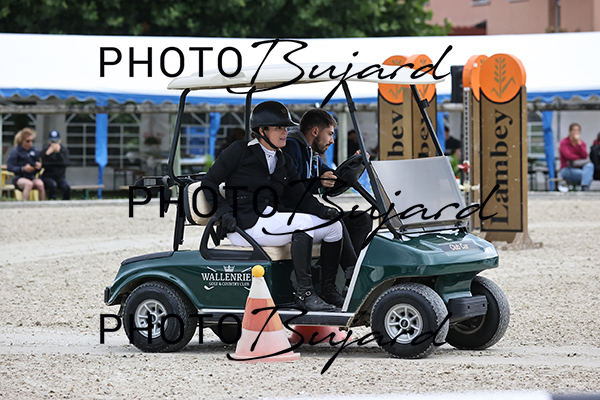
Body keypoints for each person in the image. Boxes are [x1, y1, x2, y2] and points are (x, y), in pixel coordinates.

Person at [202, 101, 345, 312]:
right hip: (244, 225)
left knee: (334, 227)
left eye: (286, 128)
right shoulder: (239, 151)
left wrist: (324, 211)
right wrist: (223, 212)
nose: (285, 132)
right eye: (279, 128)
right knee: (303, 223)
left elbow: (300, 196)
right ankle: (304, 294)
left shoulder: (283, 159)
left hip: (270, 220)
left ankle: (328, 290)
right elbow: (209, 183)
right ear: (262, 131)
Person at [282, 108, 372, 288]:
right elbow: (291, 188)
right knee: (334, 218)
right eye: (330, 134)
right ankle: (354, 277)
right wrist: (318, 182)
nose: (332, 140)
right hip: (291, 214)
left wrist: (355, 164)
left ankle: (348, 274)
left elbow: (332, 179)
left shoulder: (313, 155)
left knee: (362, 219)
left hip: (308, 212)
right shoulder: (292, 147)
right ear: (315, 131)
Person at [6, 127, 46, 201]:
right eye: (28, 141)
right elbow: (10, 167)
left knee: (40, 184)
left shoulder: (34, 151)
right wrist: (22, 169)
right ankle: (25, 203)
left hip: (31, 176)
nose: (30, 143)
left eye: (32, 141)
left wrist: (38, 167)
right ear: (22, 141)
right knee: (28, 184)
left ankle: (42, 204)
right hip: (19, 178)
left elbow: (38, 165)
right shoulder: (16, 151)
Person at [559, 123, 594, 191]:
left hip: (579, 167)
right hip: (567, 168)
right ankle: (585, 188)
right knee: (587, 175)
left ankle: (584, 187)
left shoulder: (582, 143)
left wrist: (579, 145)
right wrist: (578, 157)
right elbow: (568, 155)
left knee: (590, 166)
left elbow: (585, 156)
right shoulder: (564, 142)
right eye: (574, 130)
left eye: (578, 130)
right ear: (570, 132)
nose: (576, 132)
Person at [41, 130, 71, 200]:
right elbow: (42, 165)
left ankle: (66, 202)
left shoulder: (64, 151)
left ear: (60, 140)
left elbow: (65, 164)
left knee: (66, 187)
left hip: (60, 177)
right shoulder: (45, 151)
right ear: (49, 141)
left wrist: (58, 153)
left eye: (56, 141)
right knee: (52, 185)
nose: (54, 143)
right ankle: (52, 201)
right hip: (48, 176)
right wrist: (47, 155)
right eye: (52, 141)